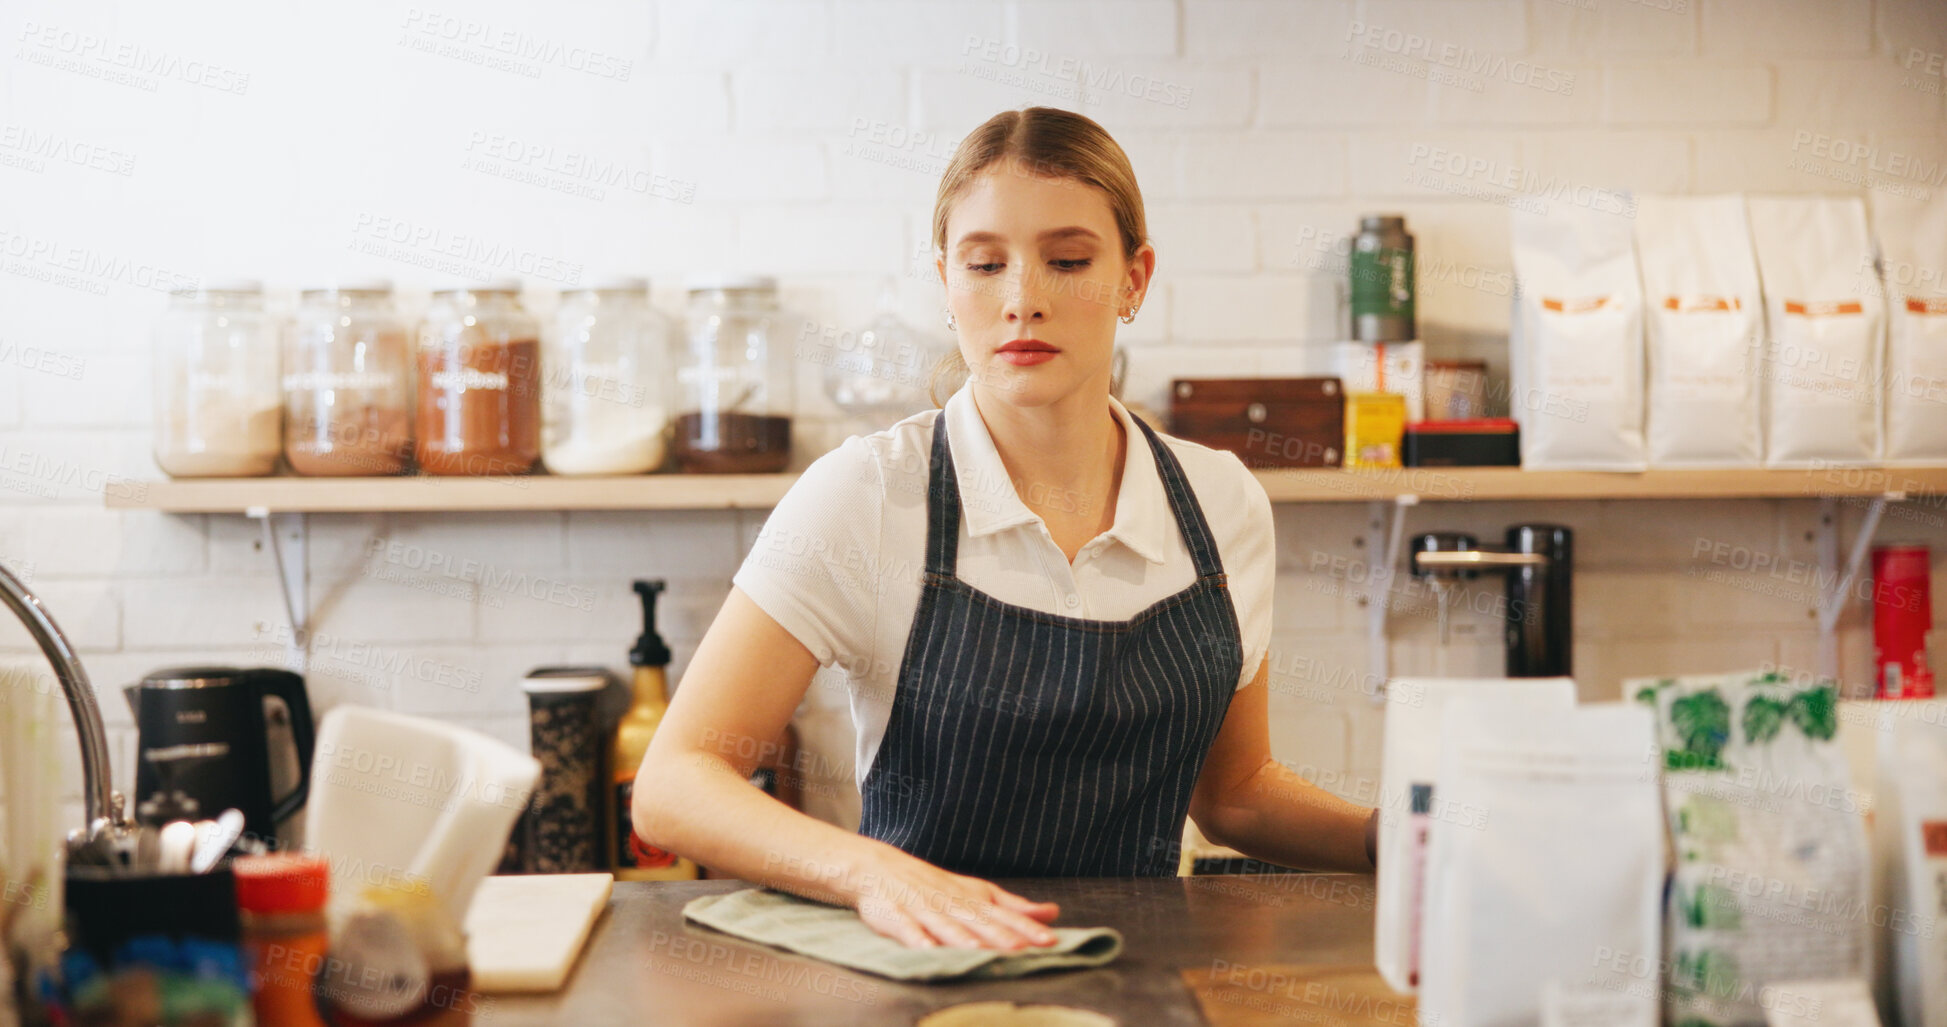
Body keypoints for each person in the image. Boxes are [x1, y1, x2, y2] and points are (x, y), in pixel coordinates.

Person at [634, 106, 1378, 951]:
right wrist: (868, 872)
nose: (1022, 298)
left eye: (1067, 261)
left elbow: (1236, 791)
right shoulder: (868, 494)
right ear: (946, 281)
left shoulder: (1222, 503)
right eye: (984, 263)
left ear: (1134, 279)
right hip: (927, 981)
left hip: (1144, 978)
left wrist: (1391, 836)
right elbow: (674, 782)